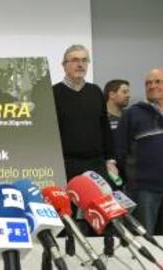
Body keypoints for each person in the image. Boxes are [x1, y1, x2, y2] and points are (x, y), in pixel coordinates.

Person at [116, 68, 163, 235]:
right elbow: (120, 152)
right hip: (144, 189)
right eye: (148, 83)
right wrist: (132, 179)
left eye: (158, 81)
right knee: (144, 238)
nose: (152, 86)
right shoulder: (132, 114)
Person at [53, 45, 118, 186]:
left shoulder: (95, 91)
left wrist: (110, 160)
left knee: (97, 207)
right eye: (75, 60)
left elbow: (104, 128)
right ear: (64, 65)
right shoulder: (52, 93)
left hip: (96, 165)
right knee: (67, 208)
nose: (80, 64)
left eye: (84, 60)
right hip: (65, 165)